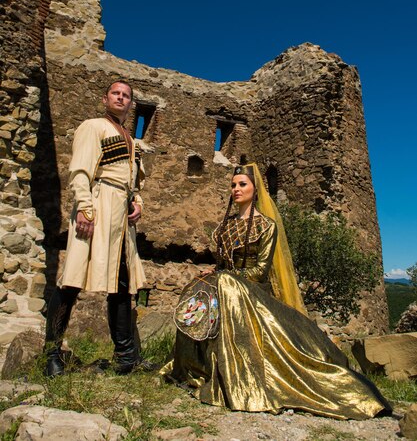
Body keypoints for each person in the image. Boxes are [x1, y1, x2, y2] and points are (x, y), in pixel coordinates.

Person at [163, 163, 392, 420]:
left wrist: (227, 276)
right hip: (225, 283)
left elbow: (260, 270)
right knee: (195, 286)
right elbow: (222, 264)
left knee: (226, 286)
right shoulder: (225, 226)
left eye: (242, 184)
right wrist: (214, 273)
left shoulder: (265, 226)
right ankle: (197, 367)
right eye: (233, 185)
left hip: (250, 289)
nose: (236, 189)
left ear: (256, 189)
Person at [44, 80, 152, 376]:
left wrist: (138, 202)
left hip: (122, 213)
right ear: (105, 99)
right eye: (116, 93)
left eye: (127, 95)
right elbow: (80, 169)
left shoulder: (132, 140)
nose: (121, 98)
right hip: (97, 202)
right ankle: (51, 354)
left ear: (131, 104)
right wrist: (85, 208)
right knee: (72, 278)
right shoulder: (93, 127)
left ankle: (126, 357)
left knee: (121, 284)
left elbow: (134, 181)